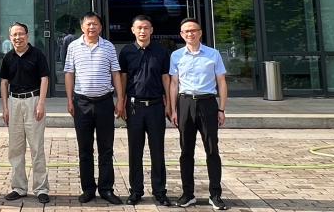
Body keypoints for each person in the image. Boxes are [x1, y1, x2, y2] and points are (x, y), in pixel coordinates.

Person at [168, 18, 229, 210]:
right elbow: (174, 84)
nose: (190, 34)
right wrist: (173, 110)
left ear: (200, 32)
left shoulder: (213, 54)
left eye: (193, 30)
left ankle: (215, 194)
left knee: (212, 149)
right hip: (185, 103)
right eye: (186, 31)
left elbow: (221, 82)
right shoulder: (176, 56)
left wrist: (221, 109)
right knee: (186, 151)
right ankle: (188, 194)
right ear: (181, 35)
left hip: (208, 103)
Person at [64, 12, 124, 205]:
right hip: (82, 104)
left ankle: (106, 189)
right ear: (82, 27)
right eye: (88, 24)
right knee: (85, 149)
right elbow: (69, 73)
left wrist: (120, 99)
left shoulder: (108, 47)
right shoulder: (73, 47)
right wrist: (69, 99)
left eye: (95, 24)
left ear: (101, 27)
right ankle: (88, 189)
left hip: (105, 103)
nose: (92, 27)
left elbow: (116, 73)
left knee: (106, 149)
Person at [117, 15, 172, 206]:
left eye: (146, 27)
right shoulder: (126, 52)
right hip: (134, 107)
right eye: (139, 28)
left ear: (151, 30)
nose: (142, 31)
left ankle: (160, 191)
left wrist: (169, 104)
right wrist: (121, 102)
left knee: (157, 150)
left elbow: (166, 78)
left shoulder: (161, 51)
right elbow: (123, 78)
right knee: (135, 151)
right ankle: (136, 191)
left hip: (156, 106)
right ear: (133, 30)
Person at [0, 22, 50, 204]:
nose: (18, 37)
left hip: (33, 101)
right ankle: (19, 187)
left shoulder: (37, 55)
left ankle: (41, 188)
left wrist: (41, 103)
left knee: (37, 147)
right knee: (15, 148)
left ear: (27, 36)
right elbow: (4, 82)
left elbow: (44, 78)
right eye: (14, 35)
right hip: (14, 102)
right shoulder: (8, 57)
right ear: (10, 37)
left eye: (21, 34)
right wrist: (5, 107)